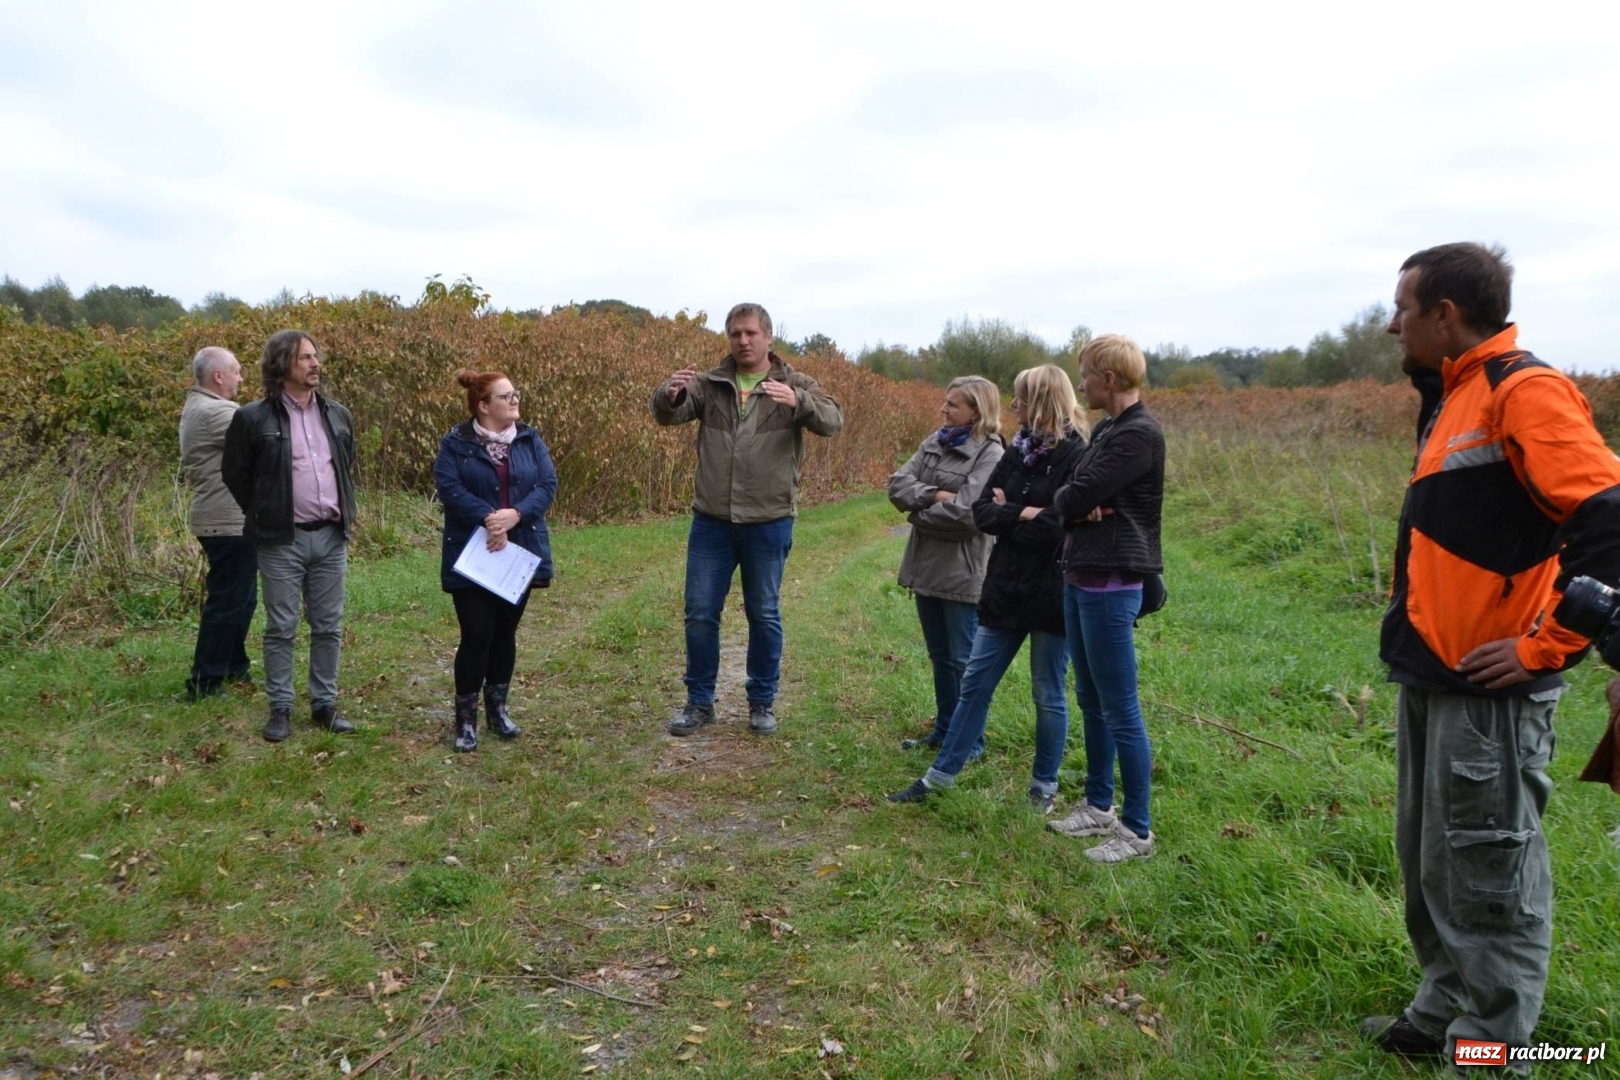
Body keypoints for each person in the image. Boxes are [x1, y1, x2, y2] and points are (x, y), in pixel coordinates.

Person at [1358, 243, 1620, 1070]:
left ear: (1445, 314)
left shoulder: (1524, 390)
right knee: (1430, 857)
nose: (1392, 321)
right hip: (1436, 670)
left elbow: (1609, 520)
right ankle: (1441, 1008)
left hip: (1492, 687)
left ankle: (1492, 1048)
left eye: (1403, 307)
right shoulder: (1453, 394)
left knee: (1488, 865)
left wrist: (1549, 648)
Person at [888, 365, 1088, 811]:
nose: (1013, 405)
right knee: (975, 681)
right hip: (1005, 585)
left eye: (1020, 398)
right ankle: (939, 777)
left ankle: (1044, 786)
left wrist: (1014, 512)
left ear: (1040, 401)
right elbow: (982, 512)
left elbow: (1060, 527)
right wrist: (1025, 512)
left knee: (1048, 692)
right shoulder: (1017, 452)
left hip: (1052, 589)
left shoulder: (1077, 455)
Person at [651, 303, 844, 737]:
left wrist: (800, 403)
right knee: (700, 613)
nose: (743, 341)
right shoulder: (710, 383)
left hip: (769, 520)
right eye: (735, 333)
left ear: (768, 337)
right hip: (712, 521)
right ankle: (699, 704)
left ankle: (761, 703)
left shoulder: (794, 383)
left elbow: (833, 421)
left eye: (751, 333)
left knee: (764, 613)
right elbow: (667, 415)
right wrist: (668, 395)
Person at [1047, 334, 1165, 864]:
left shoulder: (1136, 435)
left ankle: (1136, 831)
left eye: (1086, 375)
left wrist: (1077, 501)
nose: (1081, 385)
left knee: (1121, 708)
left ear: (1109, 379)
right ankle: (1099, 807)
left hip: (1112, 583)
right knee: (1091, 700)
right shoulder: (1110, 430)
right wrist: (1076, 502)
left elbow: (1071, 495)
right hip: (1081, 574)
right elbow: (1068, 496)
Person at [221, 330, 359, 743]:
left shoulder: (337, 414)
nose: (315, 364)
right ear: (282, 365)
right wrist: (266, 512)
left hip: (331, 537)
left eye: (315, 356)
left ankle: (324, 705)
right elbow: (236, 475)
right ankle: (280, 708)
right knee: (281, 626)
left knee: (328, 626)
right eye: (304, 358)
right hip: (282, 540)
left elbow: (346, 466)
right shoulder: (251, 418)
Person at [433, 369, 557, 753]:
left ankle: (497, 711)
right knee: (477, 634)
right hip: (473, 552)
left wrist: (515, 515)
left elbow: (547, 484)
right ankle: (465, 720)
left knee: (504, 633)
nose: (515, 400)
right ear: (483, 405)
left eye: (515, 393)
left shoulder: (528, 438)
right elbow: (448, 487)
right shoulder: (455, 443)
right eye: (506, 396)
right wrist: (491, 517)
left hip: (518, 550)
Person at [888, 376, 1005, 752]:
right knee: (940, 657)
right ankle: (944, 731)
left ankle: (970, 743)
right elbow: (897, 485)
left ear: (977, 410)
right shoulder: (935, 441)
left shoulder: (991, 453)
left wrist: (917, 513)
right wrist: (935, 494)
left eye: (953, 404)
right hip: (927, 569)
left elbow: (968, 515)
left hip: (963, 572)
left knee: (962, 661)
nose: (944, 409)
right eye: (945, 401)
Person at [179, 346, 258, 699]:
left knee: (242, 599)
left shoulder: (200, 406)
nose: (242, 378)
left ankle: (233, 667)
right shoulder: (217, 412)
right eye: (237, 371)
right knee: (228, 602)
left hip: (228, 518)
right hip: (226, 520)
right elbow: (264, 433)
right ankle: (205, 682)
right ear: (218, 376)